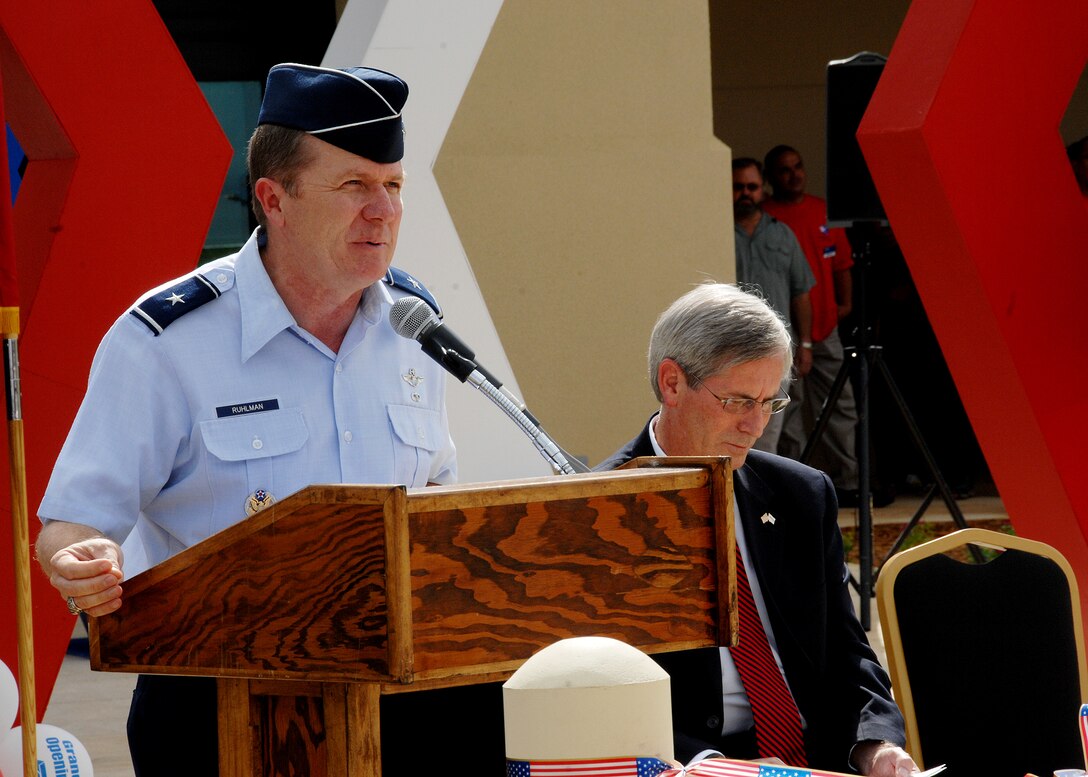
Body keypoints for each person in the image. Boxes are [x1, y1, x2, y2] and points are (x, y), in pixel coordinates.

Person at [35, 63, 504, 775]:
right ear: (273, 200)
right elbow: (72, 523)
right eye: (355, 186)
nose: (384, 210)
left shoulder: (413, 325)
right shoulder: (167, 340)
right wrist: (80, 561)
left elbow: (436, 503)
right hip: (219, 705)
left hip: (404, 704)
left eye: (395, 186)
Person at [595, 283, 917, 777]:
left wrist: (875, 745)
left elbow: (847, 651)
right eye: (739, 401)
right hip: (690, 764)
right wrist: (710, 766)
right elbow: (593, 692)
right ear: (672, 383)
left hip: (820, 760)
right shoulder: (596, 511)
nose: (757, 425)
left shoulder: (802, 494)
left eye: (771, 402)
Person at [761, 144, 860, 505]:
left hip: (826, 329)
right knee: (785, 410)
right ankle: (791, 483)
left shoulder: (823, 212)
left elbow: (842, 265)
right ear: (771, 177)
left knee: (841, 405)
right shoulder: (766, 218)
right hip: (781, 335)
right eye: (784, 170)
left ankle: (848, 481)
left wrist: (845, 304)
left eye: (798, 166)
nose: (794, 174)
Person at [731, 157, 814, 454]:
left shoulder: (783, 234)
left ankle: (784, 495)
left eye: (752, 187)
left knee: (781, 429)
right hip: (731, 349)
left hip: (779, 350)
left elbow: (801, 292)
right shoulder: (718, 233)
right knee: (742, 428)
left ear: (763, 189)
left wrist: (805, 344)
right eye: (738, 187)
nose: (745, 193)